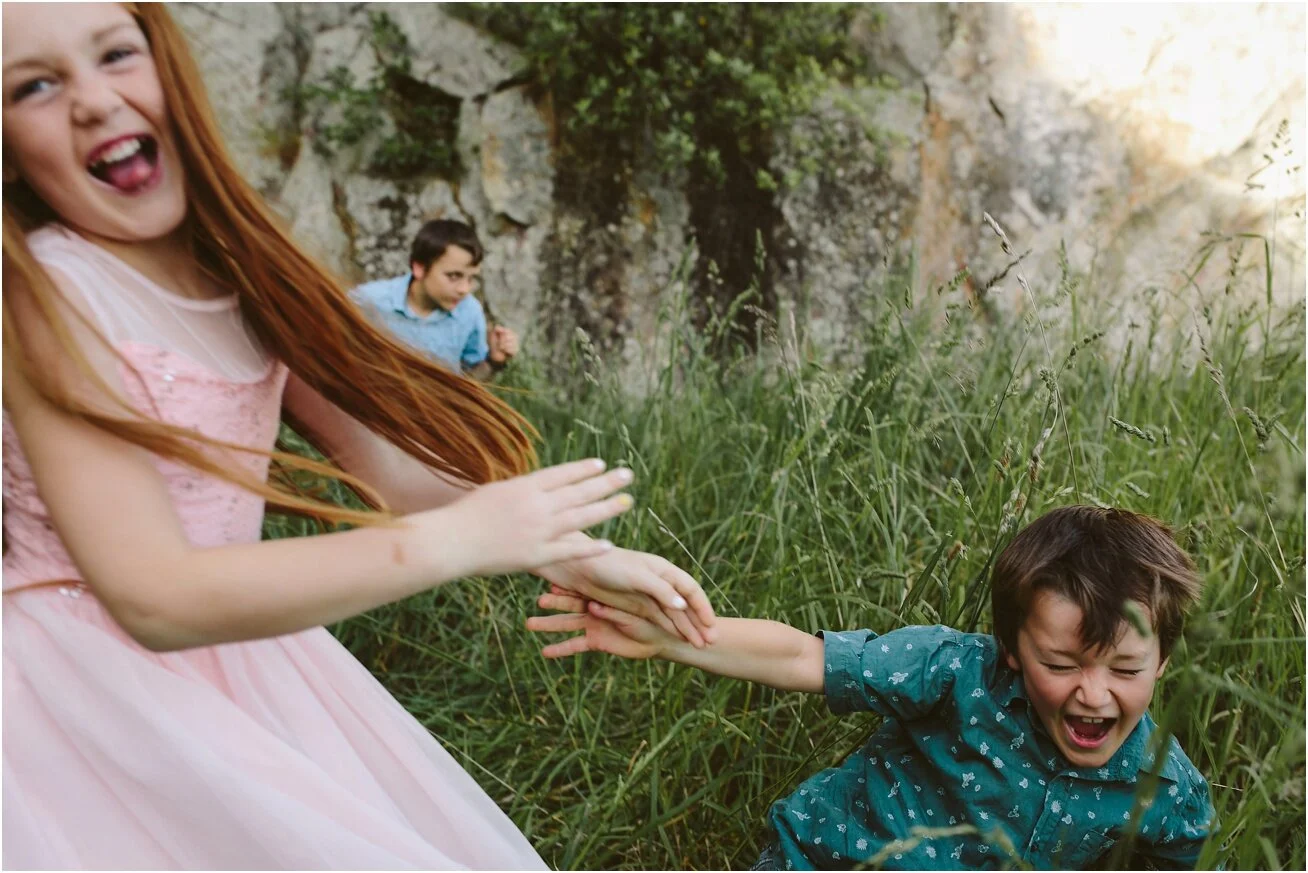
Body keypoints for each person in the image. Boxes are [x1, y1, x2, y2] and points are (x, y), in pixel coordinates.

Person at [1, 3, 715, 868]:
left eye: (116, 54)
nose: (89, 99)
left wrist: (567, 551)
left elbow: (390, 472)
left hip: (249, 656)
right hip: (86, 699)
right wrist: (455, 540)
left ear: (170, 72)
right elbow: (152, 594)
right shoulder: (44, 293)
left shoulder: (233, 268)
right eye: (33, 86)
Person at [530, 506, 1217, 870]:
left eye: (1123, 669)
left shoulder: (1169, 791)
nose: (1093, 694)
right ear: (1012, 649)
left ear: (1161, 662)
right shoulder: (955, 671)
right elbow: (803, 654)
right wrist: (671, 637)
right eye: (1062, 663)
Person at [352, 219, 519, 381]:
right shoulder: (367, 301)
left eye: (471, 278)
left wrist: (494, 361)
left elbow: (470, 384)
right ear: (419, 268)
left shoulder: (469, 312)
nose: (464, 289)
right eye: (454, 276)